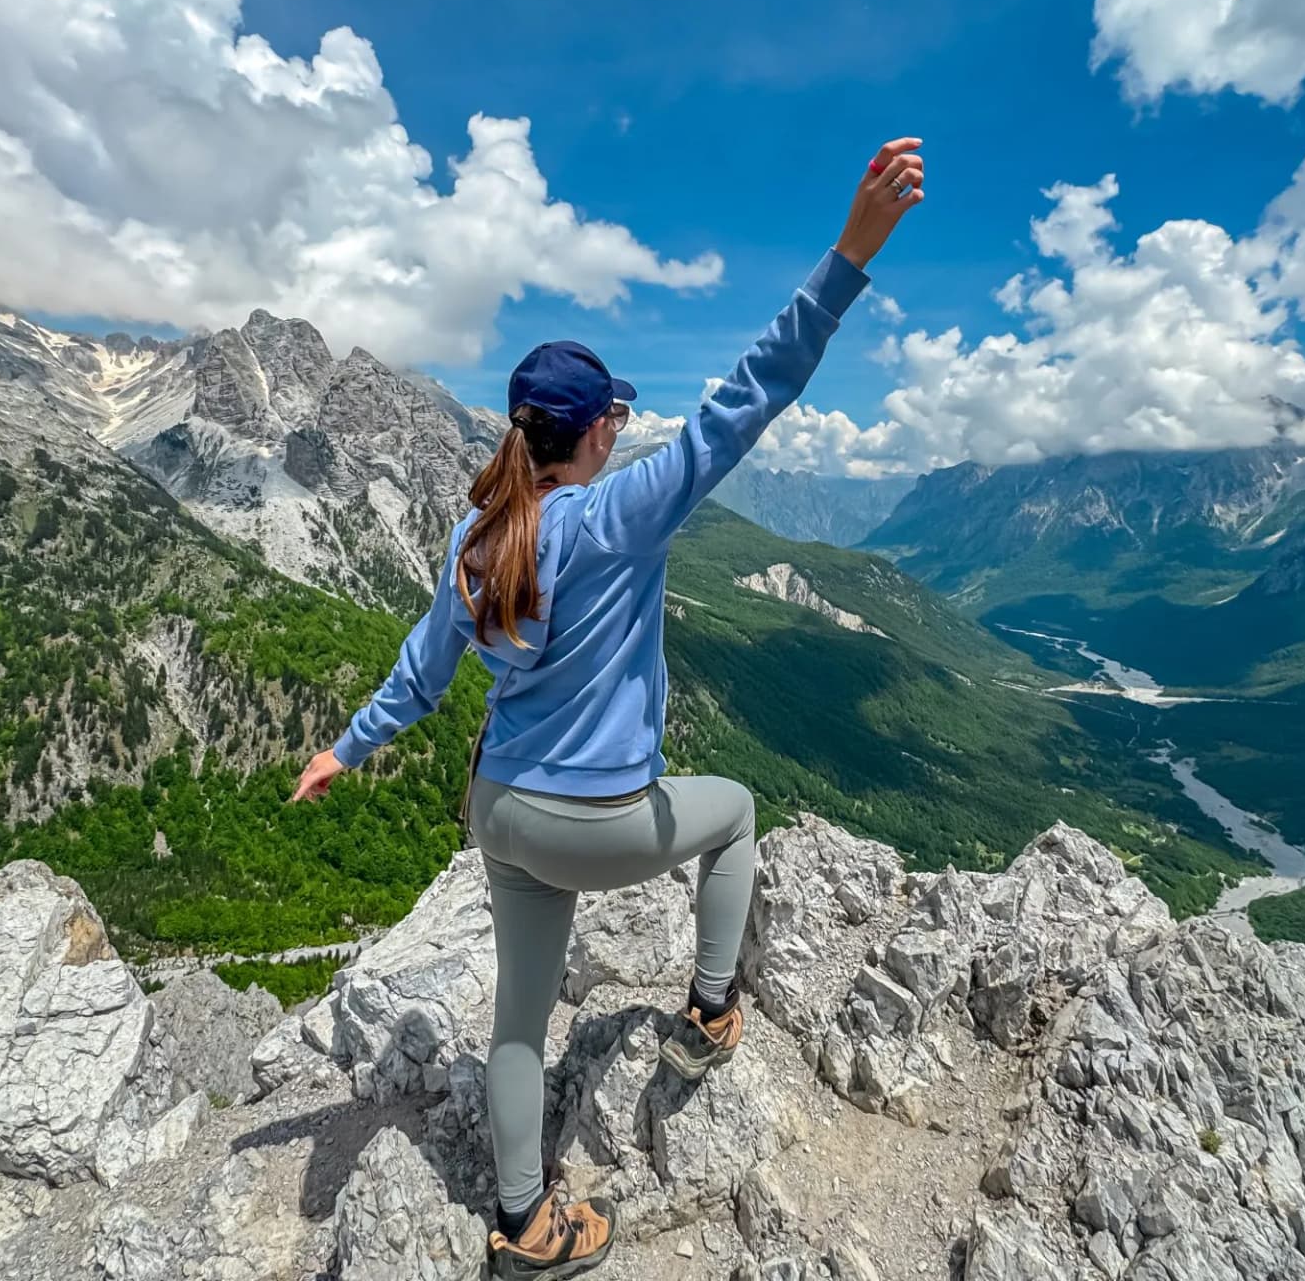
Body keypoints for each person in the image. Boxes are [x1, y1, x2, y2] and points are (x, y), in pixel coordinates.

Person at [290, 137, 925, 1278]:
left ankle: (528, 1222)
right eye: (615, 422)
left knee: (521, 1023)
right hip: (588, 818)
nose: (624, 434)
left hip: (500, 812)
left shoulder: (476, 539)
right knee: (730, 814)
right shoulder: (618, 515)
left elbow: (423, 672)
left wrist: (347, 748)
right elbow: (748, 400)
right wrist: (847, 255)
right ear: (594, 433)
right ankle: (710, 1015)